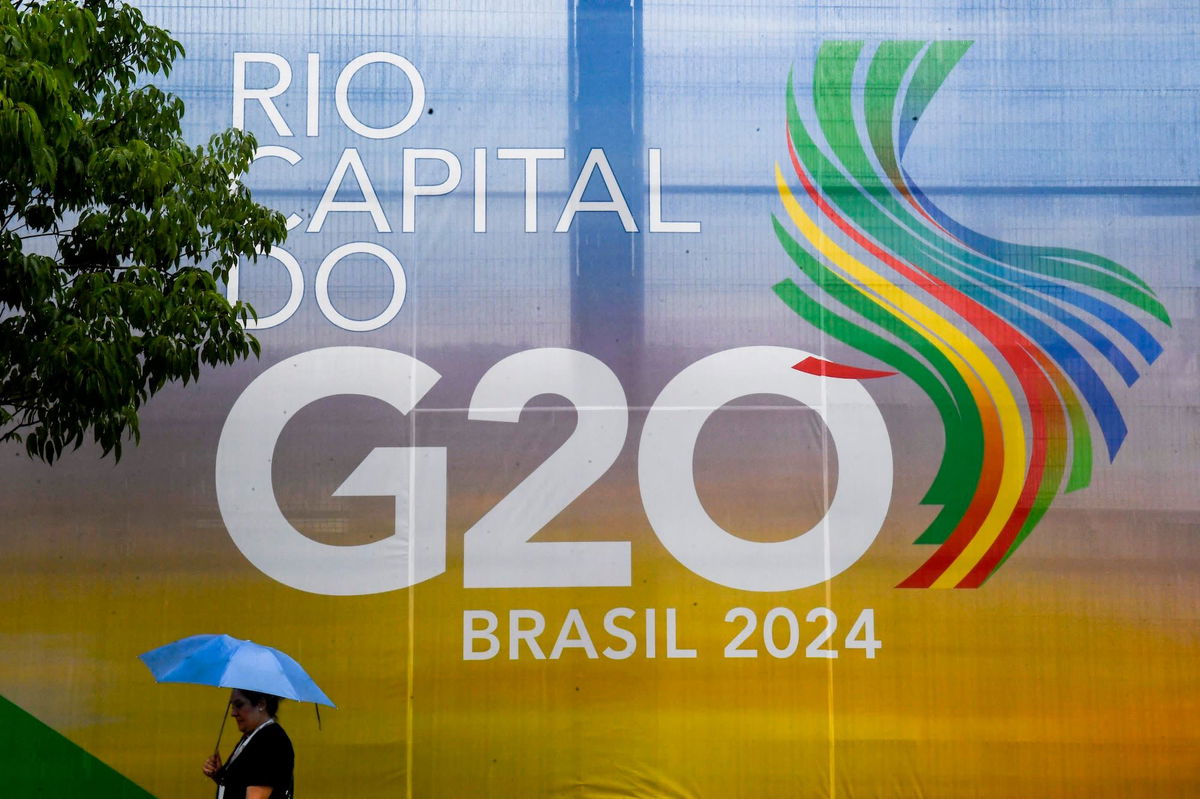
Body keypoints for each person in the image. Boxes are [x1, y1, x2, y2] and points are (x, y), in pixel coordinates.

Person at [202, 689, 295, 799]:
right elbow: (241, 785)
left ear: (261, 704)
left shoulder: (271, 742)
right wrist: (220, 775)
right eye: (232, 706)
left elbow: (257, 795)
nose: (233, 713)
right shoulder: (253, 737)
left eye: (239, 705)